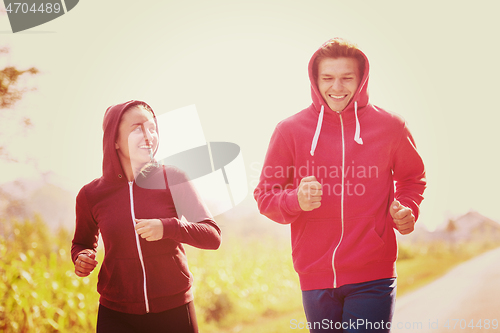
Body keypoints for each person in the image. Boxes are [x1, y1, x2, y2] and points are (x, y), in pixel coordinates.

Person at [254, 38, 426, 332]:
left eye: (347, 78)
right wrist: (296, 200)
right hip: (315, 275)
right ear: (315, 80)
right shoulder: (289, 131)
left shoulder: (391, 127)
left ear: (361, 80)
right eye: (328, 78)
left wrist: (407, 208)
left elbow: (412, 179)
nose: (337, 87)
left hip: (373, 273)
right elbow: (265, 196)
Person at [71, 100, 221, 333]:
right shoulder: (91, 195)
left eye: (152, 128)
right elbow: (81, 242)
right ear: (115, 140)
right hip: (116, 313)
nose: (149, 135)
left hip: (174, 308)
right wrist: (81, 257)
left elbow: (212, 236)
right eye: (137, 128)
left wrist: (169, 227)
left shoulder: (173, 178)